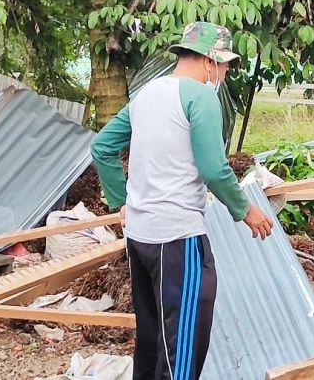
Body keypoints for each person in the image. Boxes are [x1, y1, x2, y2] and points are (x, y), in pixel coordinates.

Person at [91, 21, 274, 380]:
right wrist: (246, 210)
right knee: (183, 347)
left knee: (151, 340)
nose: (223, 72)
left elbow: (102, 147)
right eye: (223, 65)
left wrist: (121, 201)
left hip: (140, 238)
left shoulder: (146, 94)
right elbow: (214, 168)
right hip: (177, 239)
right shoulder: (200, 96)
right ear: (209, 60)